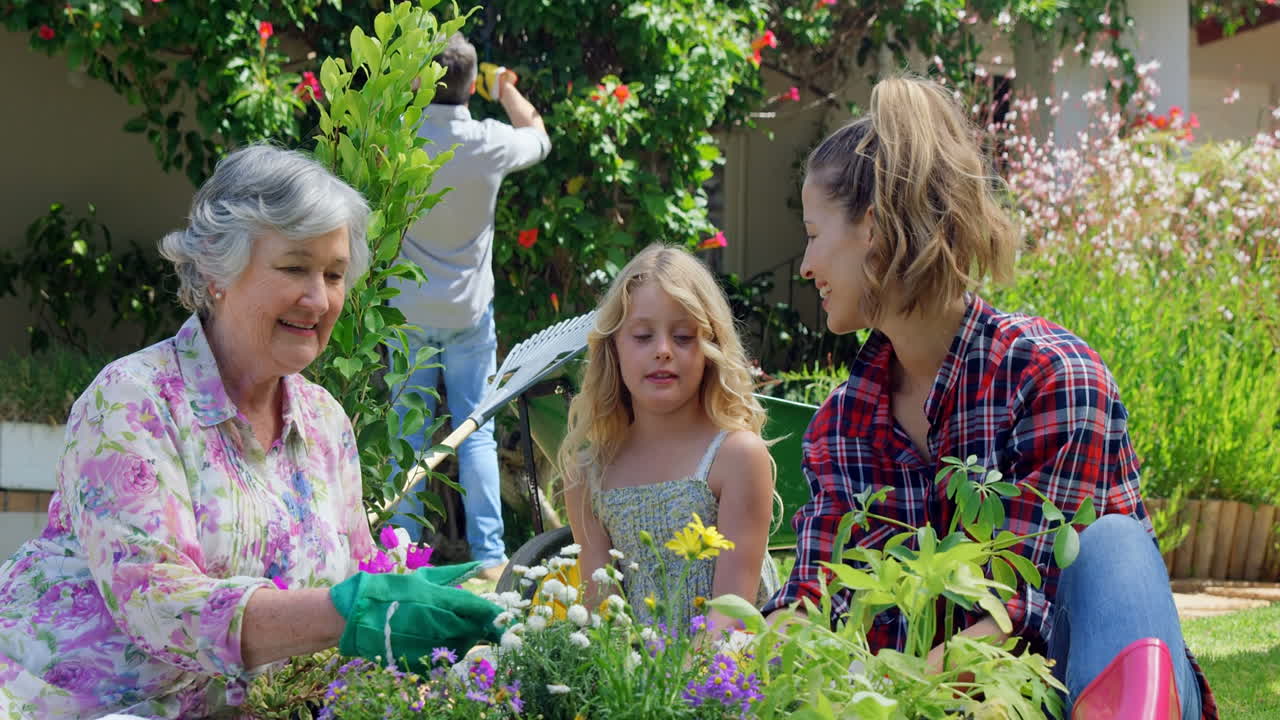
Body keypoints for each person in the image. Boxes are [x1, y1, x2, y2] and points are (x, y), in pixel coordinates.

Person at [760, 74, 1217, 718]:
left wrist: (890, 697)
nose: (806, 265)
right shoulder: (842, 424)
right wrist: (754, 659)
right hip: (925, 703)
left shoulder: (1049, 375)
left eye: (813, 233)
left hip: (1061, 687)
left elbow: (1020, 614)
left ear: (874, 228)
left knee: (1113, 546)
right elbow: (816, 592)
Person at [0, 145, 501, 720]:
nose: (319, 299)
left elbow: (360, 577)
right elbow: (157, 605)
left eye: (334, 275)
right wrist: (350, 611)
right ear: (218, 272)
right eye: (294, 268)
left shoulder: (325, 422)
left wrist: (415, 603)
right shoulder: (133, 401)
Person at [389, 32, 552, 582]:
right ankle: (488, 557)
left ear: (423, 81)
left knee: (406, 434)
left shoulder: (398, 138)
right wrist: (504, 88)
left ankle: (401, 556)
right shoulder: (488, 141)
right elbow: (539, 137)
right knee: (476, 431)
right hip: (468, 316)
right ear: (470, 82)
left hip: (408, 314)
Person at [559, 244, 779, 633]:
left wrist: (682, 672)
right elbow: (601, 614)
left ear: (711, 349)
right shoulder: (588, 474)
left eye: (683, 336)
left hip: (724, 664)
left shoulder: (736, 457)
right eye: (643, 336)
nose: (663, 351)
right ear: (613, 348)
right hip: (634, 669)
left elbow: (734, 614)